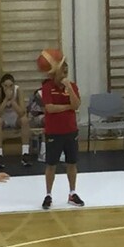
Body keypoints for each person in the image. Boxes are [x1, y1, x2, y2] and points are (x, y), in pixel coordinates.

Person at [41, 60, 83, 209]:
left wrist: (69, 88)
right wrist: (67, 107)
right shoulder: (47, 87)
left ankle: (72, 193)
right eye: (62, 72)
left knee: (72, 163)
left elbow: (77, 105)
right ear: (55, 72)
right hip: (54, 131)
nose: (64, 75)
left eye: (66, 72)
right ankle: (48, 195)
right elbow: (50, 108)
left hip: (70, 131)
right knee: (51, 165)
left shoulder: (72, 86)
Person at [0, 73, 33, 167]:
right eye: (5, 86)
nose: (8, 88)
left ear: (14, 85)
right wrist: (6, 99)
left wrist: (12, 101)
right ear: (2, 85)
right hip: (3, 117)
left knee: (25, 120)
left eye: (11, 85)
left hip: (15, 116)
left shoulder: (18, 90)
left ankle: (25, 153)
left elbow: (22, 112)